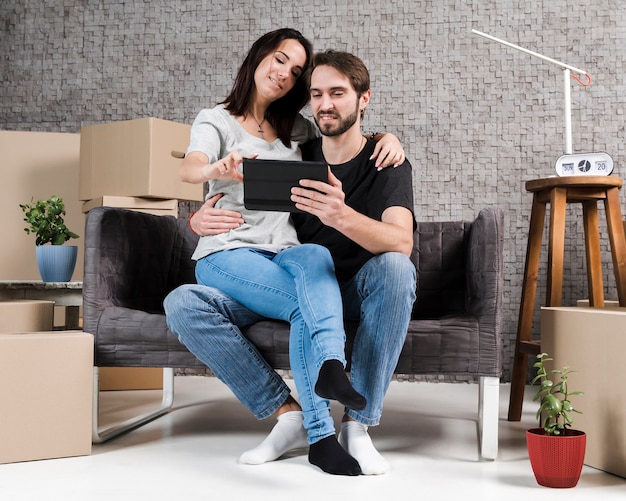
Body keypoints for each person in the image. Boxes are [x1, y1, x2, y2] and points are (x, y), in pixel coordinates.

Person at [169, 29, 406, 476]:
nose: (283, 74)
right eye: (279, 60)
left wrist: (387, 135)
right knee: (298, 301)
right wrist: (209, 183)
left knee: (316, 258)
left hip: (284, 250)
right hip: (230, 250)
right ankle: (319, 432)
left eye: (295, 71)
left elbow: (342, 128)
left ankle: (301, 410)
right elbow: (190, 167)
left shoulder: (295, 130)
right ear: (259, 56)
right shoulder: (215, 120)